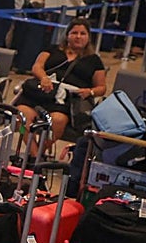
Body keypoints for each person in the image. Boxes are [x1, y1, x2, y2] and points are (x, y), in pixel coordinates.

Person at [14, 18, 107, 151]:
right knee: (21, 118)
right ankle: (34, 155)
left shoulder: (94, 60)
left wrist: (90, 92)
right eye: (74, 33)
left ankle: (40, 151)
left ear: (88, 37)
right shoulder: (52, 50)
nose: (78, 37)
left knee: (57, 121)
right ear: (67, 35)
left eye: (82, 33)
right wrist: (43, 78)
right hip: (41, 93)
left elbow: (102, 87)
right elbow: (37, 66)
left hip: (65, 102)